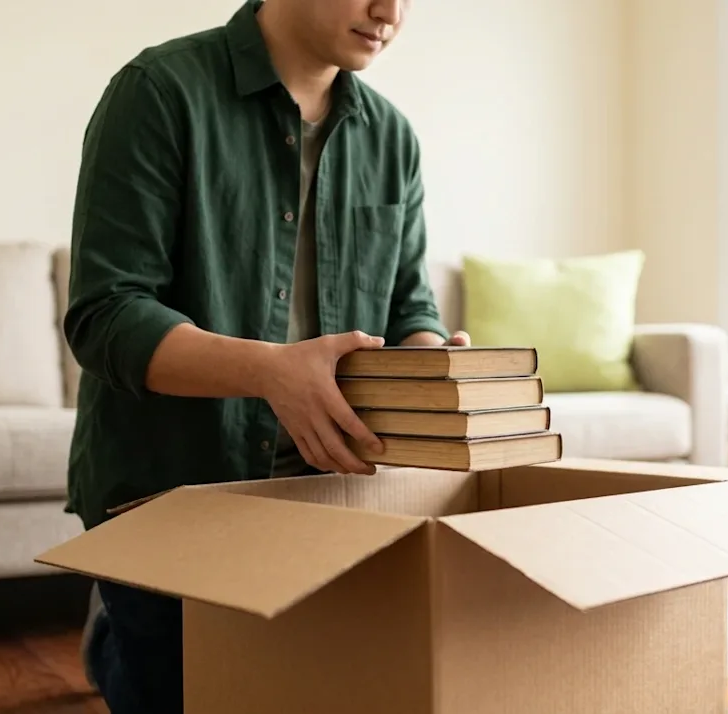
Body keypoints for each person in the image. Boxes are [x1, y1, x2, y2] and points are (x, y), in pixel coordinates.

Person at [62, 0, 466, 711]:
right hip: (170, 495)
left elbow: (411, 306)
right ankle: (114, 633)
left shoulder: (392, 138)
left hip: (332, 498)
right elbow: (107, 314)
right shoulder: (158, 91)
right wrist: (270, 373)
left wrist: (430, 364)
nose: (390, 13)